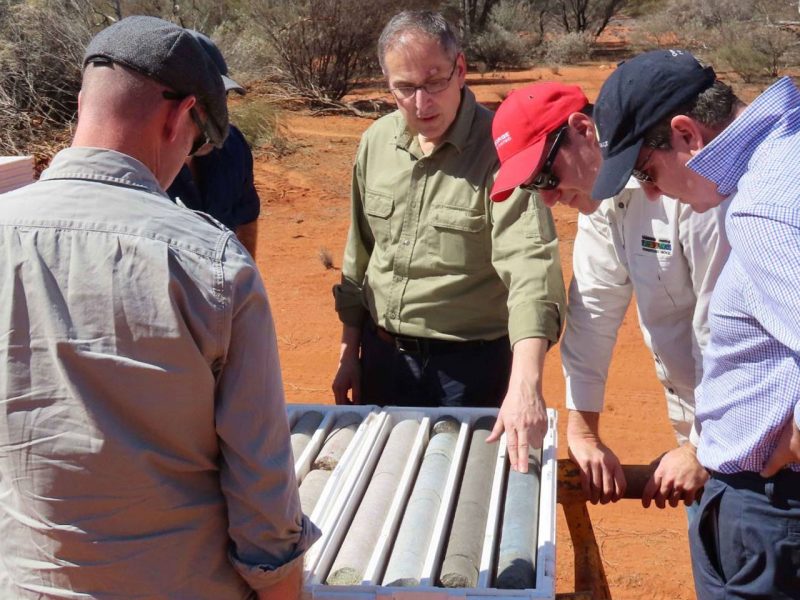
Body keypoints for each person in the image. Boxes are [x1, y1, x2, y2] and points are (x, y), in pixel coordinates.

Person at [0, 16, 317, 599]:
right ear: (179, 115)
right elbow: (260, 487)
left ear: (83, 101)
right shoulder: (213, 264)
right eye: (200, 136)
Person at [592, 49, 800, 599]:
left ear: (686, 135)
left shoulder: (764, 211)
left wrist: (791, 444)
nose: (654, 193)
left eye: (646, 172)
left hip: (773, 512)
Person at [331, 10, 566, 471]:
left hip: (469, 370)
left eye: (434, 81)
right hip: (383, 360)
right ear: (387, 84)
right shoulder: (375, 143)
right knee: (381, 495)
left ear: (460, 69)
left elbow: (531, 267)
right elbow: (359, 256)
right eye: (404, 88)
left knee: (461, 505)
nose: (422, 103)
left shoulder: (503, 153)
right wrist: (348, 351)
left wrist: (526, 384)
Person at [490, 82, 729, 514]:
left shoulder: (684, 185)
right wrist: (583, 432)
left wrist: (701, 447)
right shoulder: (600, 201)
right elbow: (593, 309)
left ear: (582, 128)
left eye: (546, 174)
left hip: (754, 434)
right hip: (706, 433)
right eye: (531, 186)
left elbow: (723, 330)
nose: (547, 197)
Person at [167, 30, 261, 257]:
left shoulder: (233, 146)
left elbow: (247, 216)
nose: (220, 117)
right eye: (205, 103)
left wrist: (243, 286)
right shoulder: (140, 166)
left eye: (222, 98)